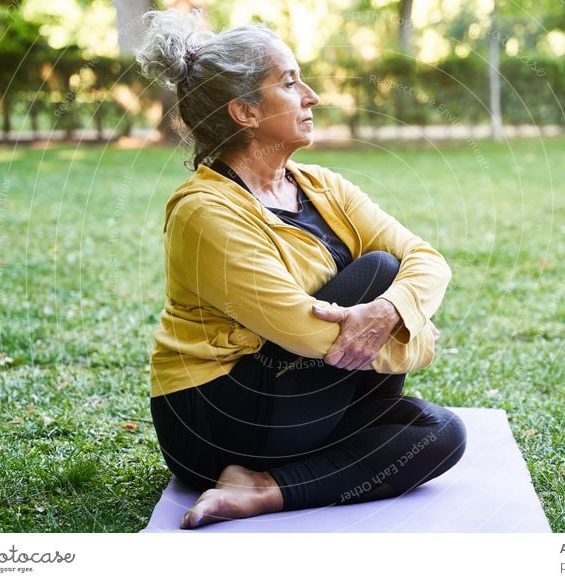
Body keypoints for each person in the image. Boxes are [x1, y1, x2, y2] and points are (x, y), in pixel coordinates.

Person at [135, 9, 466, 529]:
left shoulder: (323, 185)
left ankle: (265, 489)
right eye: (290, 83)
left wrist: (394, 310)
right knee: (379, 268)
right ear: (244, 111)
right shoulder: (206, 211)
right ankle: (247, 474)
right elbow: (306, 333)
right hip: (219, 420)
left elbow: (428, 260)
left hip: (304, 403)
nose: (311, 95)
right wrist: (413, 327)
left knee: (440, 433)